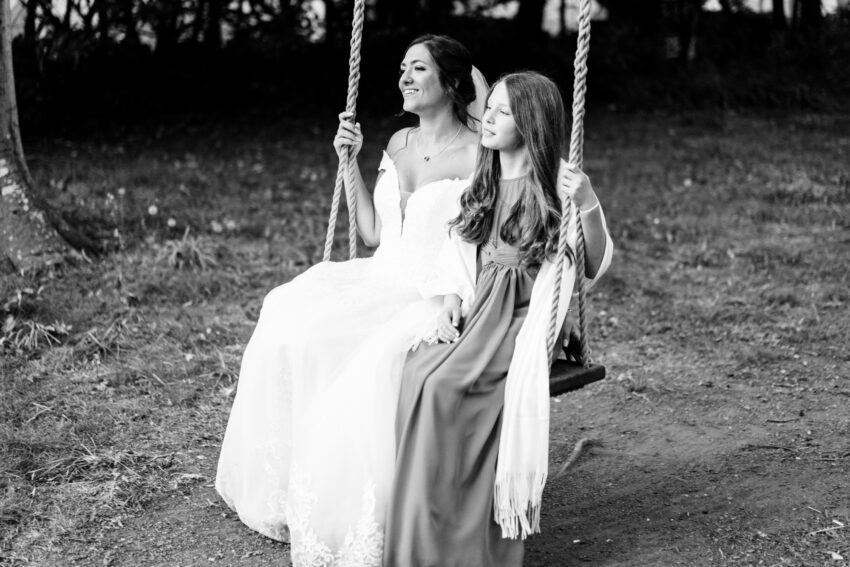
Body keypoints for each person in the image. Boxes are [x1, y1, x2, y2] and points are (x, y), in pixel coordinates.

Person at [214, 34, 487, 560]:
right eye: (403, 68)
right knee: (285, 313)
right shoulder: (399, 143)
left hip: (423, 293)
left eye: (419, 69)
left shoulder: (478, 155)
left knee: (331, 344)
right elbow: (370, 232)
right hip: (378, 277)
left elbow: (481, 241)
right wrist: (350, 163)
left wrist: (456, 292)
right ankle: (285, 485)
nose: (404, 77)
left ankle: (339, 498)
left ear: (452, 83)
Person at [383, 71, 614, 567]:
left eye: (502, 112)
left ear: (530, 123)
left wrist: (588, 203)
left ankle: (465, 534)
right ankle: (427, 524)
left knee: (449, 389)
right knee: (417, 372)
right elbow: (459, 250)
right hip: (482, 306)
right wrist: (448, 298)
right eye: (489, 109)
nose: (486, 118)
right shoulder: (483, 176)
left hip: (522, 320)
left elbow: (592, 261)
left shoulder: (556, 182)